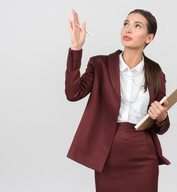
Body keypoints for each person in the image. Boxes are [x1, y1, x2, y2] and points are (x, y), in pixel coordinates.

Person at [65, 9, 170, 192]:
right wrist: (76, 48)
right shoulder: (100, 65)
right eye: (126, 24)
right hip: (109, 153)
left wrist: (161, 117)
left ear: (149, 38)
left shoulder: (155, 72)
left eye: (137, 26)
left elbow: (162, 125)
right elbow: (73, 93)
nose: (128, 30)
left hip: (144, 154)